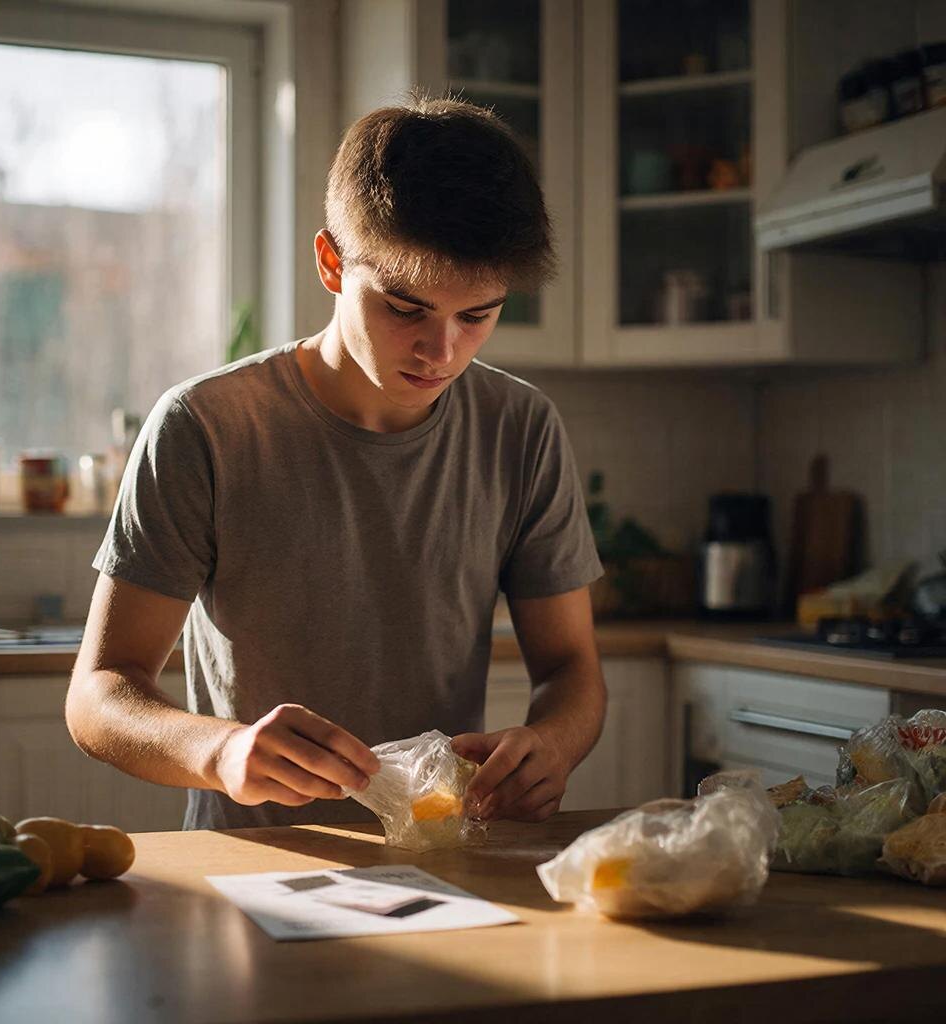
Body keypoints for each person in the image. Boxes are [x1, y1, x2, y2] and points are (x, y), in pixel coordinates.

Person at [66, 94, 606, 831]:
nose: (440, 351)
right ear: (331, 261)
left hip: (441, 861)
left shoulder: (521, 428)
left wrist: (551, 745)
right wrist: (223, 752)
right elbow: (99, 695)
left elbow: (572, 669)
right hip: (259, 865)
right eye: (406, 308)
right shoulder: (206, 427)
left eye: (476, 315)